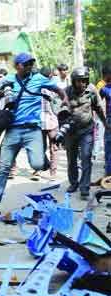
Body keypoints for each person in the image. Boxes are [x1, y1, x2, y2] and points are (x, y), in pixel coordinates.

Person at [0, 53, 69, 222]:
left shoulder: (39, 78)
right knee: (3, 168)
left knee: (37, 164)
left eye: (31, 63)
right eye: (26, 64)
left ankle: (41, 158)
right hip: (13, 130)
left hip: (33, 130)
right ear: (17, 66)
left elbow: (57, 89)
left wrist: (64, 99)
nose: (29, 66)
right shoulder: (8, 79)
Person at [63, 67, 107, 200]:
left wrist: (105, 123)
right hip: (70, 132)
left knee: (86, 158)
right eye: (79, 81)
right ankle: (74, 183)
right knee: (71, 159)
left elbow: (98, 108)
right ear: (73, 81)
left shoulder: (92, 90)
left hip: (86, 130)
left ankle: (84, 187)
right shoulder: (67, 91)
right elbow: (59, 109)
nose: (82, 84)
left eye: (84, 81)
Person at [39, 67, 60, 179]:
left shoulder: (35, 88)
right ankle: (53, 172)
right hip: (52, 121)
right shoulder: (53, 88)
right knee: (54, 147)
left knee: (40, 147)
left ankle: (40, 169)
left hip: (40, 122)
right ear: (50, 75)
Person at [100, 66, 111, 179]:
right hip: (109, 120)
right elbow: (96, 103)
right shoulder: (104, 89)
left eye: (105, 75)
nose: (104, 78)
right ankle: (108, 175)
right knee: (108, 147)